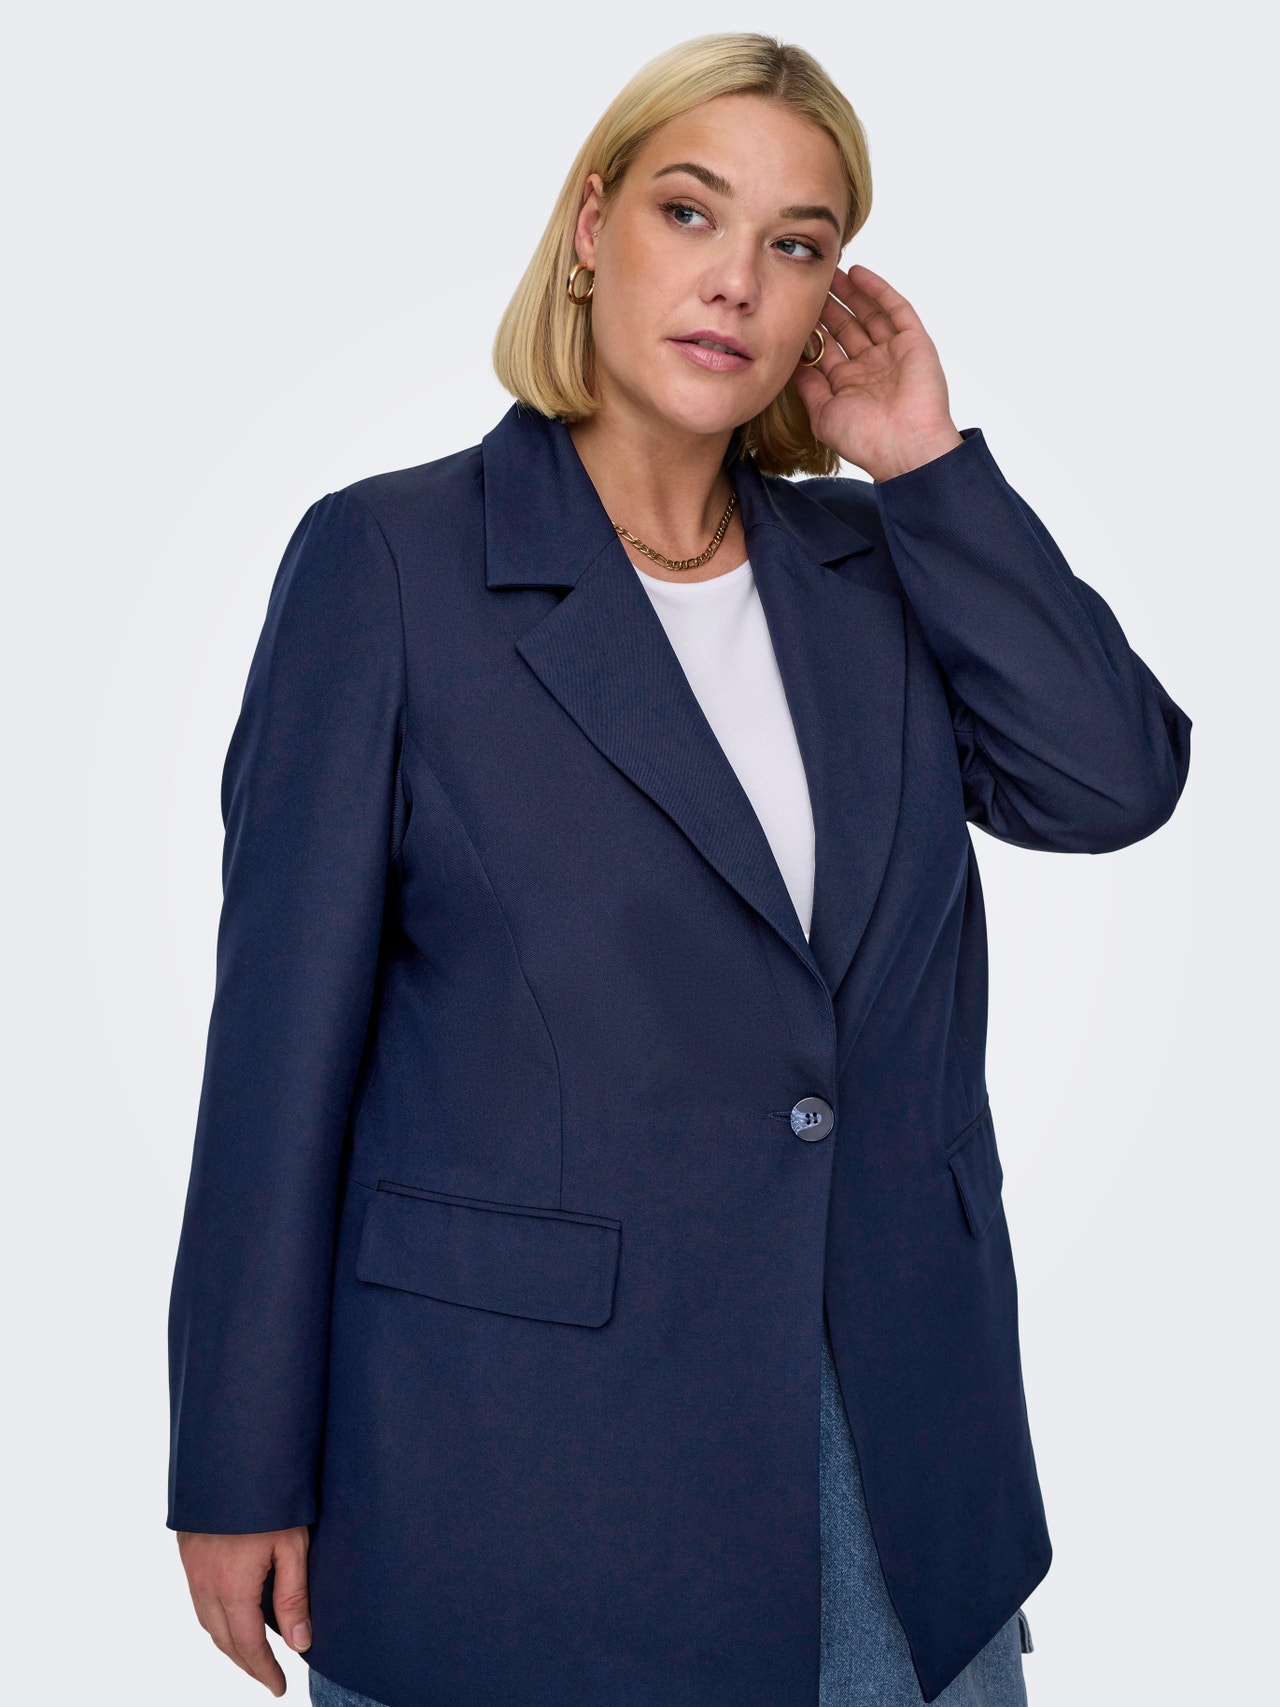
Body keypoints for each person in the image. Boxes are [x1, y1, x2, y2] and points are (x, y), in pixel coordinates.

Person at [167, 32, 1191, 1707]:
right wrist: (234, 1460)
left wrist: (926, 464)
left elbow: (1112, 782)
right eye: (690, 212)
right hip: (521, 1467)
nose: (736, 282)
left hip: (893, 1457)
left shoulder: (877, 566)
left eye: (797, 243)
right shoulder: (392, 564)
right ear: (593, 226)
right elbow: (277, 1058)